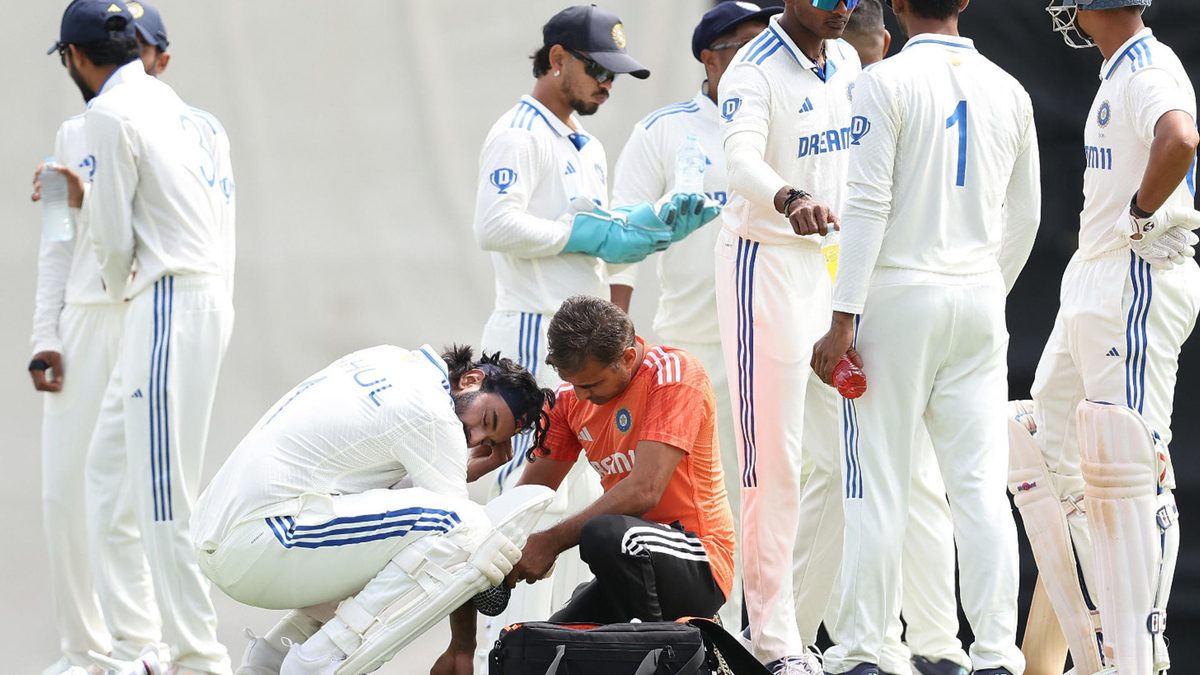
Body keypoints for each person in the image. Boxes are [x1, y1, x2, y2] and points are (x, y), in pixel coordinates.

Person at [471, 4, 717, 663]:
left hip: (578, 350)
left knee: (581, 510)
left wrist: (651, 230)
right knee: (521, 505)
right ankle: (503, 651)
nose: (607, 85)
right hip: (529, 338)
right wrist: (577, 233)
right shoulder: (517, 133)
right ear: (556, 60)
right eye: (596, 71)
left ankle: (556, 654)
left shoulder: (587, 143)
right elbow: (494, 224)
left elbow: (603, 241)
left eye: (615, 76)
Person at [809, 0, 1041, 672]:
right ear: (963, 3)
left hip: (899, 295)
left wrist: (843, 314)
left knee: (878, 481)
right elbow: (1024, 216)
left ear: (900, 8)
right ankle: (996, 651)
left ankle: (865, 648)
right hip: (977, 297)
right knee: (977, 486)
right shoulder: (1011, 89)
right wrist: (986, 288)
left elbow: (867, 199)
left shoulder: (884, 82)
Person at [1009, 1, 1200, 673]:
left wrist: (1143, 213)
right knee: (1042, 450)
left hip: (1135, 276)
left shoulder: (1150, 67)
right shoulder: (1117, 72)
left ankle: (1141, 649)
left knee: (1129, 463)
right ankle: (1079, 649)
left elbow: (1180, 138)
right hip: (1093, 277)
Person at [52, 0, 237, 670]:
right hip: (198, 294)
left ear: (75, 57)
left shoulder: (107, 114)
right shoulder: (192, 115)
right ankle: (139, 646)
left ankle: (197, 656)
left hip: (164, 302)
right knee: (109, 475)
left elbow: (110, 241)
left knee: (160, 495)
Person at [190, 345, 554, 675]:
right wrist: (464, 647)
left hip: (227, 534)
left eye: (488, 441)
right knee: (469, 525)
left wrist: (472, 465)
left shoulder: (388, 360)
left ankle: (271, 660)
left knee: (412, 533)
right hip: (262, 539)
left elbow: (398, 510)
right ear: (473, 379)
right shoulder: (433, 416)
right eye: (485, 421)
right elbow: (457, 539)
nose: (473, 438)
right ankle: (320, 660)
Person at [607, 0, 781, 631]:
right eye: (742, 45)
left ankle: (761, 636)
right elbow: (621, 232)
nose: (760, 56)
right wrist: (618, 337)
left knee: (764, 489)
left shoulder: (780, 110)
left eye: (767, 41)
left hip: (771, 334)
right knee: (683, 498)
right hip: (692, 344)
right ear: (709, 58)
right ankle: (668, 634)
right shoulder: (665, 129)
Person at [715, 1, 861, 671]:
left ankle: (788, 628)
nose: (844, 10)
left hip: (828, 267)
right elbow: (738, 158)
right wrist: (788, 197)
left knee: (835, 464)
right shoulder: (753, 70)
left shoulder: (848, 60)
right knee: (772, 460)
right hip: (765, 259)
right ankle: (775, 641)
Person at [31, 3, 172, 671]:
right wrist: (44, 335)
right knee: (64, 490)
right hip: (84, 320)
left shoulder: (174, 129)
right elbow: (56, 243)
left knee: (127, 490)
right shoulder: (69, 134)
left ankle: (140, 645)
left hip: (144, 311)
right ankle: (82, 650)